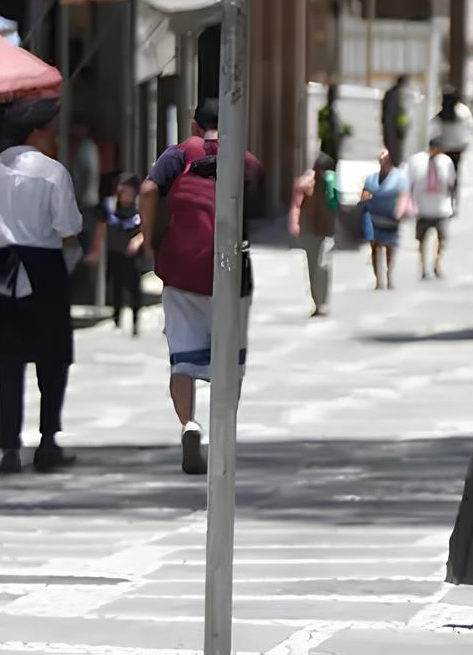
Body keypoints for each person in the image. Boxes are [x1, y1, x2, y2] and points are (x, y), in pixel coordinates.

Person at [145, 98, 262, 476]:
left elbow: (148, 192)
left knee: (183, 356)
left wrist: (152, 242)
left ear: (196, 125)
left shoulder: (179, 154)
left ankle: (189, 424)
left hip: (182, 270)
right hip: (231, 273)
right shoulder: (245, 161)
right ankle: (223, 433)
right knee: (231, 359)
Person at [0, 99, 82, 474]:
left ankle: (9, 446)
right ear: (35, 132)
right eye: (49, 129)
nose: (54, 137)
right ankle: (48, 440)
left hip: (2, 263)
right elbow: (68, 227)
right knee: (53, 356)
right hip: (44, 264)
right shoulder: (52, 173)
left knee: (7, 358)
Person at [289, 153, 339, 317]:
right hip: (317, 232)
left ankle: (320, 302)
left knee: (316, 268)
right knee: (317, 268)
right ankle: (319, 302)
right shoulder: (311, 184)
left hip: (318, 232)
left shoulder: (324, 184)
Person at [358, 146, 410, 289]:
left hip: (391, 219)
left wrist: (400, 212)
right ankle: (378, 280)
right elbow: (364, 197)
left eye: (386, 160)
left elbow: (404, 197)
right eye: (382, 160)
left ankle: (389, 276)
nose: (384, 162)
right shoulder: (371, 178)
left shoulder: (399, 178)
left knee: (390, 250)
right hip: (373, 220)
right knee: (375, 250)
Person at [103, 173, 147, 335]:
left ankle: (135, 322)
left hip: (132, 256)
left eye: (128, 190)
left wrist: (138, 240)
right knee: (116, 287)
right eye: (122, 191)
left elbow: (145, 229)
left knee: (134, 289)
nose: (125, 194)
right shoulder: (111, 207)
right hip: (115, 253)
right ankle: (116, 319)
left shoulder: (139, 209)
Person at [414, 134, 458, 280]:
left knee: (442, 239)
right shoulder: (419, 162)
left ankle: (436, 264)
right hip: (423, 208)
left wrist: (452, 203)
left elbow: (451, 184)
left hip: (441, 208)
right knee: (421, 240)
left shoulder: (446, 162)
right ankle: (423, 267)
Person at [434, 93, 473, 183]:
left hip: (444, 145)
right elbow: (471, 126)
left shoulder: (440, 110)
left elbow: (432, 128)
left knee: (444, 169)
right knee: (455, 168)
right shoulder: (463, 109)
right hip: (458, 146)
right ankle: (454, 187)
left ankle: (446, 187)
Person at [382, 75, 414, 161]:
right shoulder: (401, 94)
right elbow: (402, 113)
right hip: (396, 129)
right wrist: (402, 128)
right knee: (397, 154)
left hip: (390, 128)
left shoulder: (390, 93)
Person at [318, 83, 350, 164]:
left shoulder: (334, 112)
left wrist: (342, 132)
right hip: (327, 150)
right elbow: (322, 132)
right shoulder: (325, 112)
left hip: (334, 150)